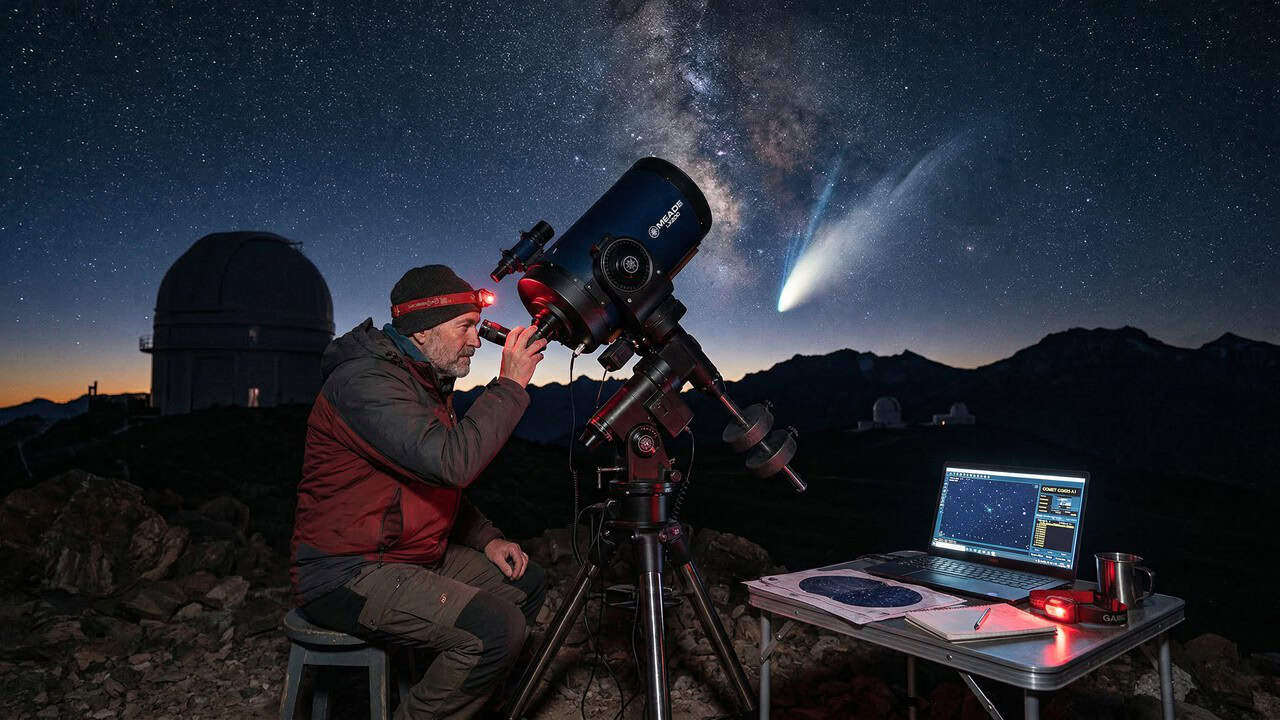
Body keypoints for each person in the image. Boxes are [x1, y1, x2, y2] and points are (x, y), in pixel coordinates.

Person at [290, 264, 549, 719]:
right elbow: (450, 463)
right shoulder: (365, 383)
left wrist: (487, 538)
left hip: (407, 554)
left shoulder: (421, 379)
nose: (476, 341)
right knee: (496, 630)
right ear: (424, 332)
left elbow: (425, 484)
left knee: (525, 583)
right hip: (348, 570)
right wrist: (509, 384)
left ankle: (460, 698)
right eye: (466, 327)